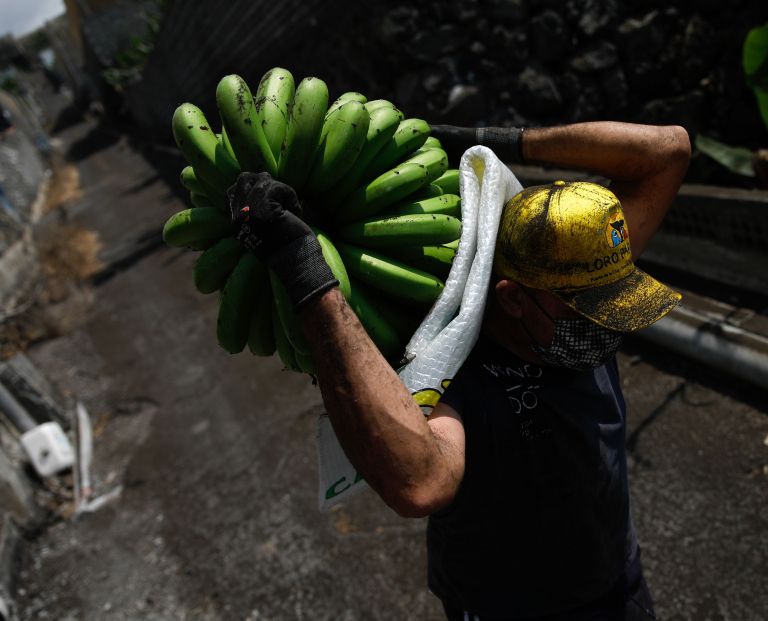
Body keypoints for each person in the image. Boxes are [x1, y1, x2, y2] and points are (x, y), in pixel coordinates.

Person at [228, 120, 691, 620]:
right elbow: (421, 484)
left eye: (614, 302)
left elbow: (668, 150)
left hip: (617, 581)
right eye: (588, 311)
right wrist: (303, 269)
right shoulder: (454, 368)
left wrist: (488, 140)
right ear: (513, 299)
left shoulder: (583, 272)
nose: (608, 325)